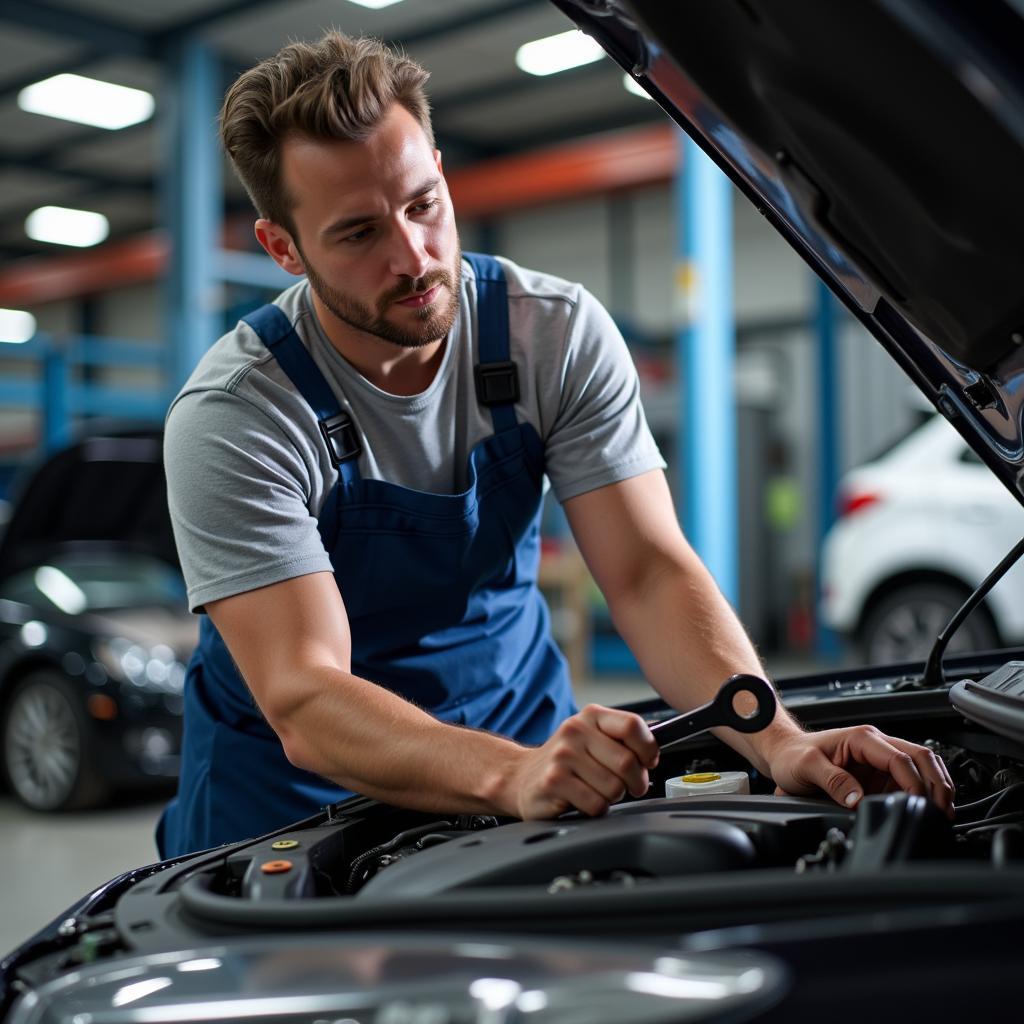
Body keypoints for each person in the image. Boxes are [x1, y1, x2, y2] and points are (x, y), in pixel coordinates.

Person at [157, 32, 954, 857]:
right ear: (282, 247)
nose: (414, 255)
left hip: (526, 751)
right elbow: (307, 693)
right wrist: (511, 776)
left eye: (423, 203)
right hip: (289, 811)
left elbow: (646, 573)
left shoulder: (550, 335)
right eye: (357, 234)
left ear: (436, 165)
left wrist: (778, 741)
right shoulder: (238, 414)